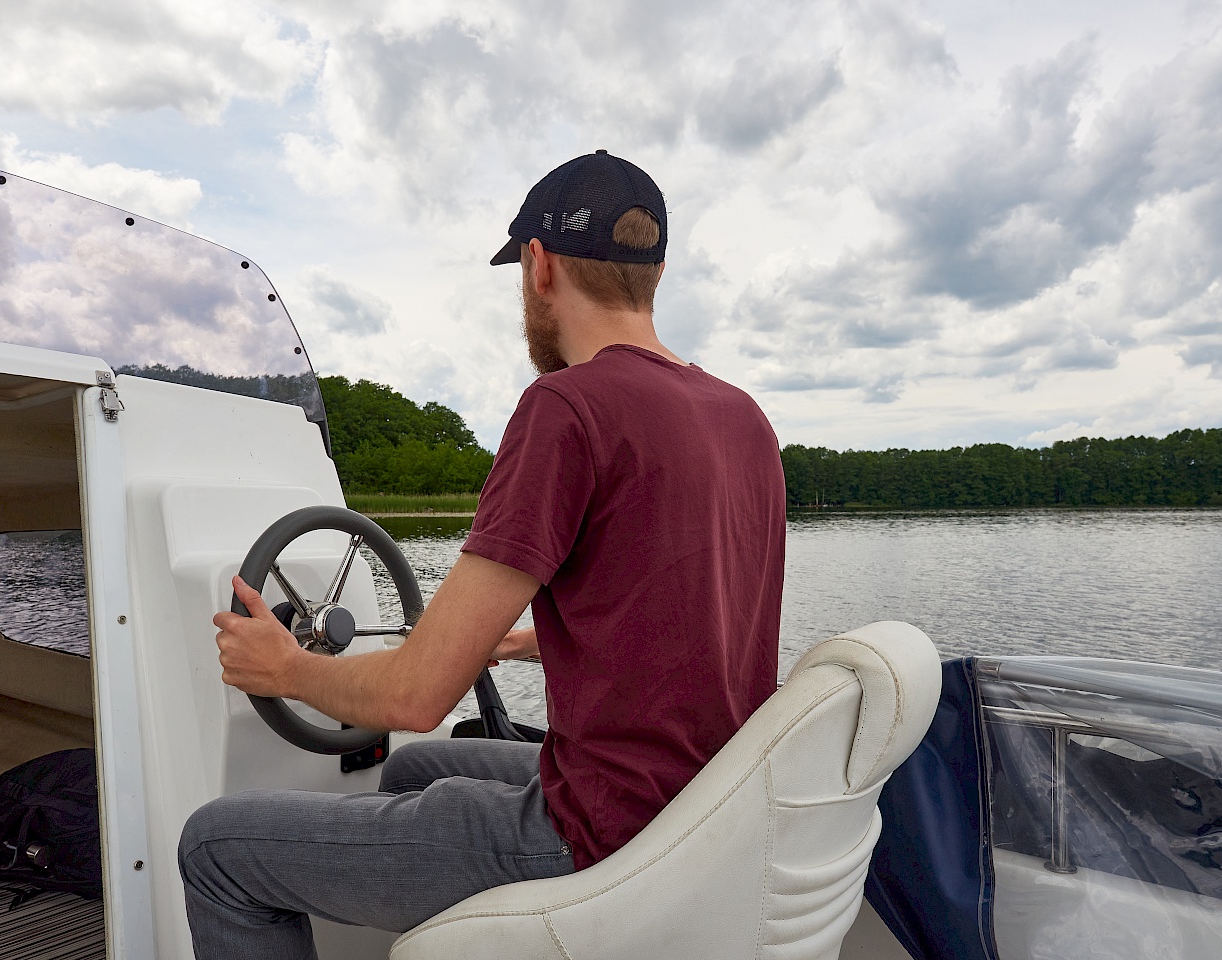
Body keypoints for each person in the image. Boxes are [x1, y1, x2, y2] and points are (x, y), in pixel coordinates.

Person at [178, 150, 786, 959]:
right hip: (705, 809)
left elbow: (415, 695)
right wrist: (535, 638)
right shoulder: (742, 418)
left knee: (217, 847)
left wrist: (285, 668)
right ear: (657, 269)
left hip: (601, 834)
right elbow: (695, 612)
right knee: (410, 774)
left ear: (539, 266)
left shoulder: (567, 407)